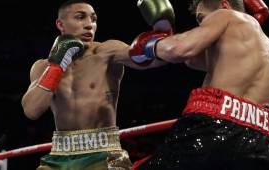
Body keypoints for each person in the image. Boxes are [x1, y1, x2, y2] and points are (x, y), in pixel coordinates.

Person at [129, 0, 269, 169]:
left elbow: (180, 49)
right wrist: (169, 38)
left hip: (213, 131)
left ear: (224, 5)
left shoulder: (226, 15)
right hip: (262, 143)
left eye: (202, 19)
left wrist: (152, 44)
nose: (201, 26)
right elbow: (192, 59)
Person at [21, 0, 170, 169]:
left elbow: (153, 59)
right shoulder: (42, 66)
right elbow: (32, 110)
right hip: (59, 155)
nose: (89, 25)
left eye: (93, 19)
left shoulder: (106, 51)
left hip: (104, 153)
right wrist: (57, 66)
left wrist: (163, 31)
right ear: (60, 24)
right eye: (80, 17)